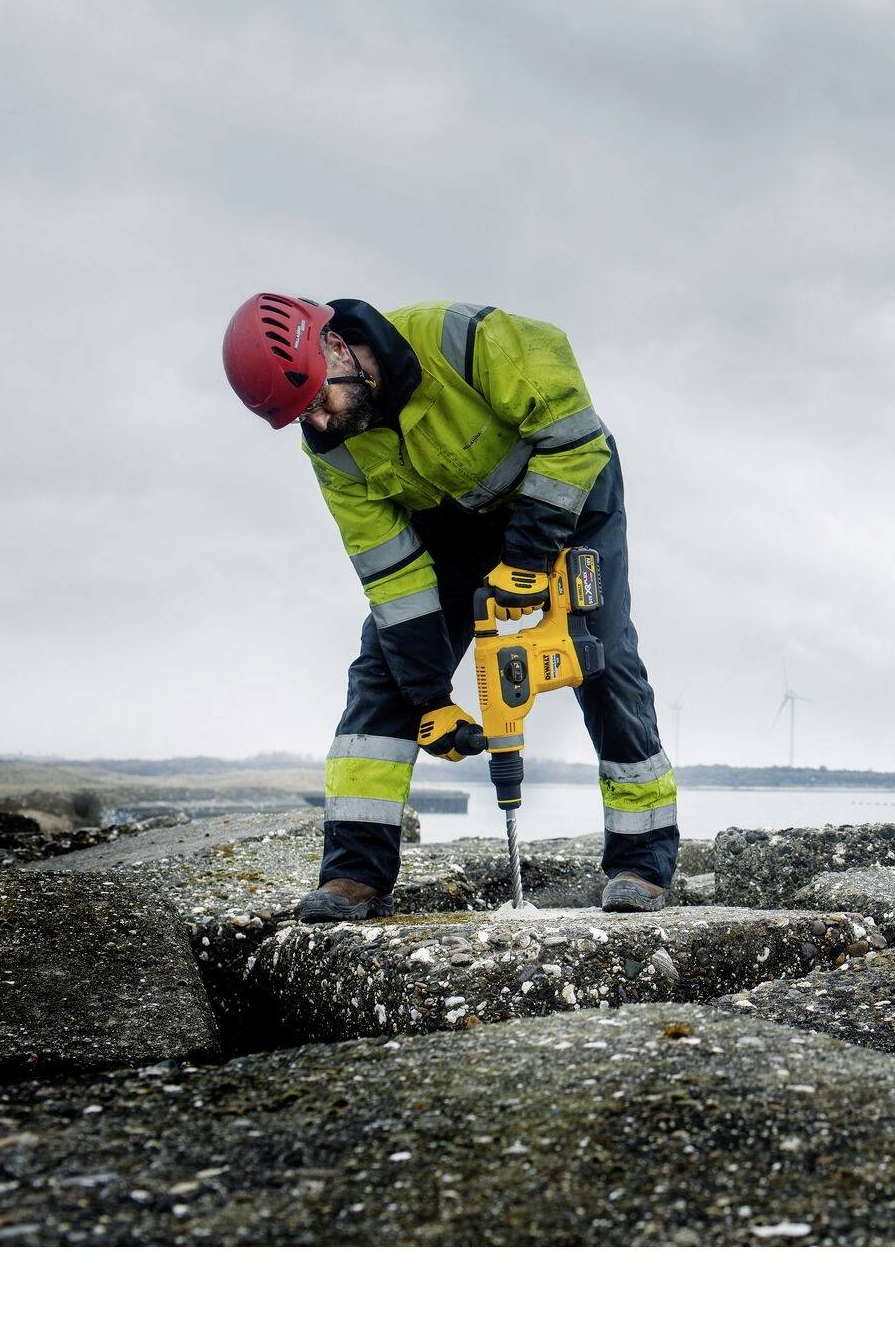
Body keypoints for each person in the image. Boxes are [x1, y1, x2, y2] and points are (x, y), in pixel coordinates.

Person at [221, 291, 677, 920]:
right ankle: (355, 874)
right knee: (381, 677)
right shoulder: (329, 445)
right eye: (301, 416)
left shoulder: (462, 339)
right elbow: (391, 575)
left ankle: (641, 862)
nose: (319, 422)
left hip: (568, 497)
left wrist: (528, 556)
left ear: (335, 346)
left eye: (319, 398)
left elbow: (574, 436)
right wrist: (430, 695)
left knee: (600, 657)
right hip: (455, 526)